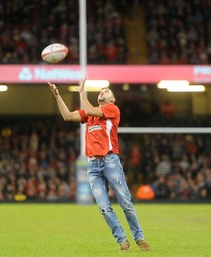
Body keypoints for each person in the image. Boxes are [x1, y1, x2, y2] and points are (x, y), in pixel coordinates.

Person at [47, 79, 151, 252]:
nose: (103, 92)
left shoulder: (112, 109)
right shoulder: (90, 115)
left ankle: (139, 237)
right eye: (101, 91)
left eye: (107, 91)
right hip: (93, 165)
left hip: (110, 161)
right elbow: (67, 116)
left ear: (113, 99)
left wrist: (81, 92)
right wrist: (57, 96)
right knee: (103, 207)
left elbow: (88, 109)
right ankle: (122, 241)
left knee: (125, 202)